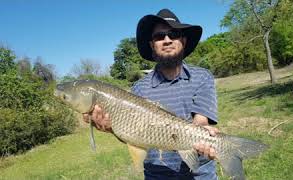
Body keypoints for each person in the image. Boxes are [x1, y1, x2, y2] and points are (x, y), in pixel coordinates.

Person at [83, 9, 219, 180]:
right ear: (152, 45)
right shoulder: (139, 89)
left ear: (183, 40)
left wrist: (203, 138)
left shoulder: (202, 77)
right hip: (157, 175)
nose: (167, 40)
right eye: (159, 36)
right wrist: (111, 128)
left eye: (174, 34)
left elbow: (200, 122)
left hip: (199, 175)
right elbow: (134, 135)